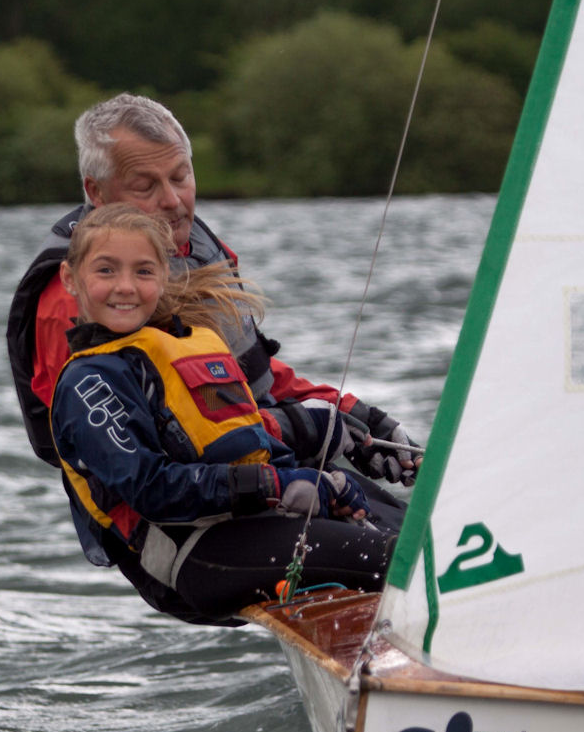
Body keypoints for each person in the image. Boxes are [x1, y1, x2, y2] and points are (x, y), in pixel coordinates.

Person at [6, 93, 420, 497]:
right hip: (181, 519)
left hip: (266, 469)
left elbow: (244, 372)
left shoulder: (195, 248)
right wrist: (300, 427)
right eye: (145, 186)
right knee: (385, 553)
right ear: (96, 193)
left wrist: (350, 413)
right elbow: (143, 457)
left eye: (180, 176)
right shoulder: (78, 300)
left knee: (414, 531)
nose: (172, 201)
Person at [51, 204, 395, 625]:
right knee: (400, 561)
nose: (125, 286)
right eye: (106, 271)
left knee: (421, 538)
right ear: (71, 279)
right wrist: (277, 485)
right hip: (199, 553)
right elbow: (151, 487)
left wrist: (318, 441)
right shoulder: (89, 383)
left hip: (256, 521)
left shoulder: (192, 345)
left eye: (143, 272)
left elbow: (239, 437)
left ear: (163, 276)